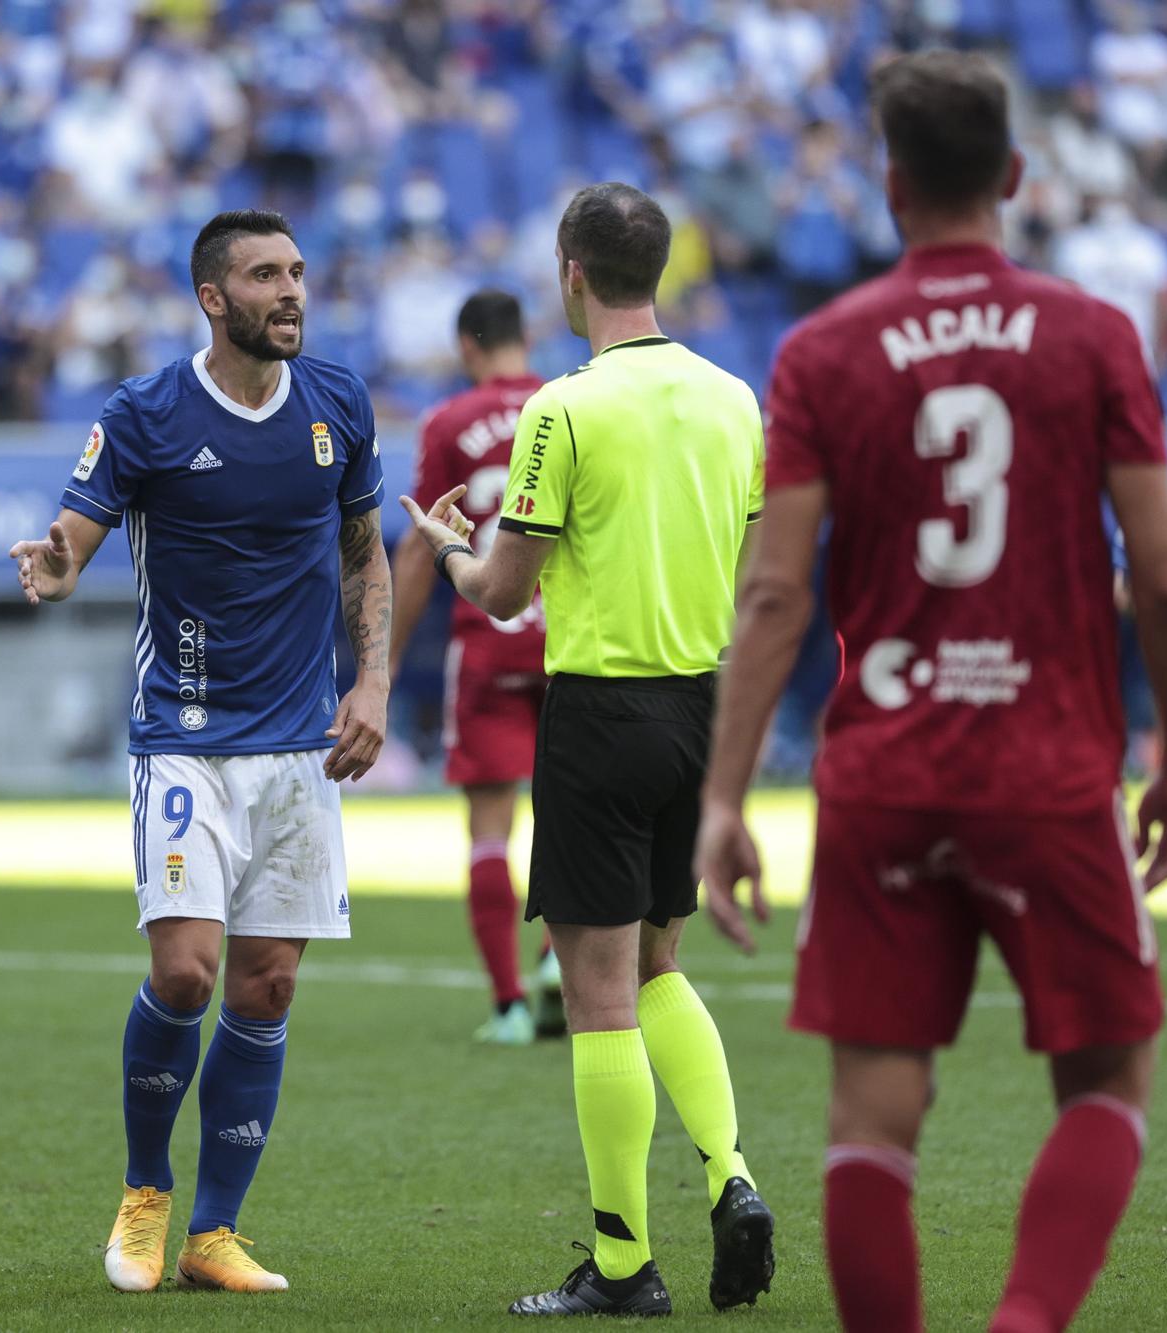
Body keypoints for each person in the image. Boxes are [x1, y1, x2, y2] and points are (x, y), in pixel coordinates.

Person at [695, 51, 1167, 1333]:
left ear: (887, 185)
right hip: (1047, 767)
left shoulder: (821, 350)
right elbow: (1163, 580)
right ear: (1016, 177)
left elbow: (772, 595)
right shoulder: (1092, 335)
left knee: (874, 1116)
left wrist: (721, 793)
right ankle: (1025, 1318)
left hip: (882, 772)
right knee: (1106, 1081)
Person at [400, 181, 774, 1318]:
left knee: (599, 991)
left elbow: (506, 591)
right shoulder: (731, 399)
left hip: (601, 712)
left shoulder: (562, 410)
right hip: (699, 711)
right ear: (655, 269)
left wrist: (450, 551)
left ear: (571, 273)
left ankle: (622, 1264)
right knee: (662, 966)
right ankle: (731, 1173)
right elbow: (760, 572)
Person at [8, 209, 390, 1296]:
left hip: (299, 746)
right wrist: (55, 566)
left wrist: (369, 684)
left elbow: (368, 560)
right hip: (182, 738)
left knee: (265, 989)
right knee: (185, 971)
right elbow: (74, 535)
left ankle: (214, 1234)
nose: (292, 292)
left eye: (299, 272)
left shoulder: (337, 405)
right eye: (266, 275)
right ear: (212, 298)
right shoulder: (145, 413)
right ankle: (142, 1194)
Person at [387, 288, 553, 1046]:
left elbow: (424, 543)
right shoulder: (573, 403)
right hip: (572, 640)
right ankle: (557, 958)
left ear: (466, 347)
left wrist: (380, 663)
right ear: (526, 336)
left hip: (488, 639)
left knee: (490, 827)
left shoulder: (450, 421)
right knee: (575, 817)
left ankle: (511, 1004)